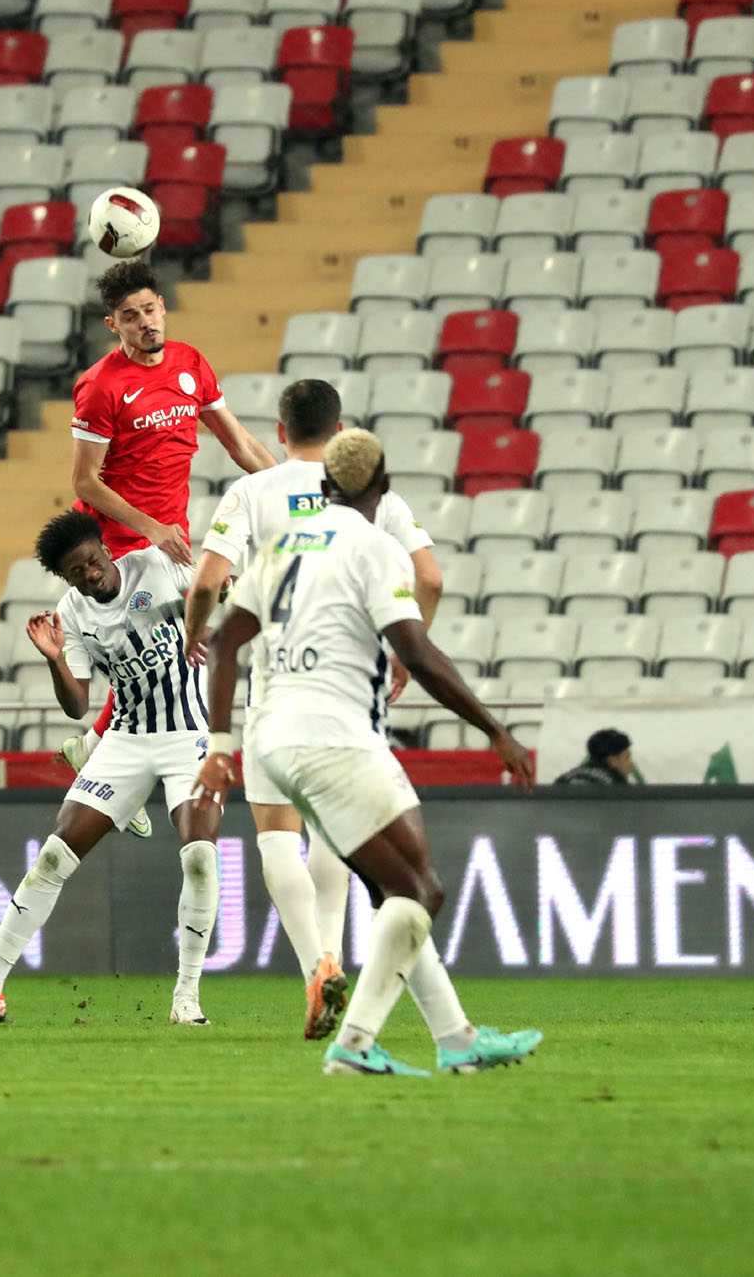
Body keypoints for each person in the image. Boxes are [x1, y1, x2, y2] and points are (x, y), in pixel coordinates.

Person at [198, 430, 543, 1077]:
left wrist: (220, 745)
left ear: (326, 485)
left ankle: (457, 1037)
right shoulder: (375, 546)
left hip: (273, 739)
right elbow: (417, 653)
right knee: (420, 890)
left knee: (397, 888)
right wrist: (494, 728)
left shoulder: (279, 545)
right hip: (335, 736)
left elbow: (221, 645)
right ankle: (355, 1045)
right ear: (381, 488)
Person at [182, 377, 444, 1038]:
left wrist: (197, 630)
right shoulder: (368, 494)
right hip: (350, 685)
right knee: (339, 831)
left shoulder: (252, 491)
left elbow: (209, 578)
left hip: (275, 683)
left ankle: (316, 964)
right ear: (342, 428)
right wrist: (405, 651)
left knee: (277, 833)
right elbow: (431, 575)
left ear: (279, 429)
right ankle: (343, 955)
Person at [0, 511, 221, 1030]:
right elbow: (76, 705)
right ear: (66, 578)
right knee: (52, 858)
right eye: (77, 571)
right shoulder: (72, 614)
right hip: (126, 739)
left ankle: (187, 995)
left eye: (93, 560)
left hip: (189, 735)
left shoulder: (156, 566)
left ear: (105, 550)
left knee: (200, 854)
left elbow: (212, 585)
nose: (91, 573)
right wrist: (54, 659)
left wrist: (209, 603)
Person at [70, 258, 278, 566]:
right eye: (130, 316)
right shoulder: (100, 386)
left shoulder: (190, 362)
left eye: (149, 310)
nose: (145, 322)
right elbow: (84, 481)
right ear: (112, 325)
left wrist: (289, 486)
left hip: (172, 540)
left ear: (162, 306)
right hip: (114, 546)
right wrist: (153, 529)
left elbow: (239, 443)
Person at [554, 728, 640, 787]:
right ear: (613, 761)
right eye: (627, 758)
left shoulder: (564, 779)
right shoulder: (616, 786)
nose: (631, 764)